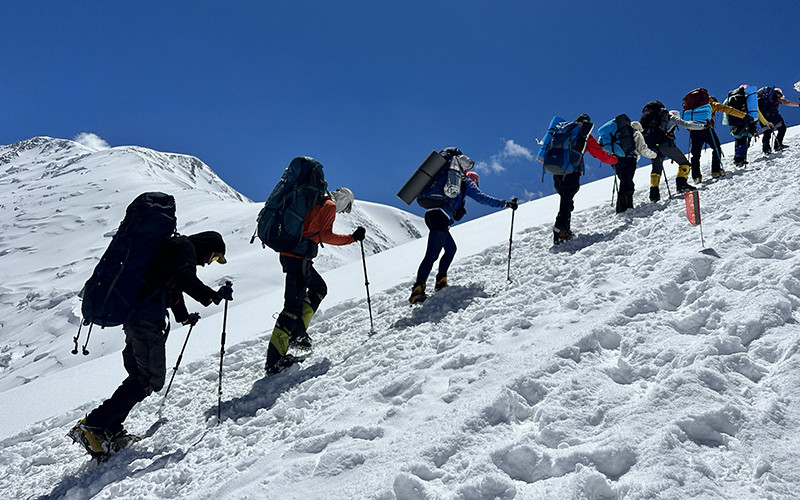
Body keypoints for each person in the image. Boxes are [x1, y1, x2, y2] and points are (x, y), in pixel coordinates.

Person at [71, 231, 232, 455]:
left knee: (139, 376)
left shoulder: (174, 247)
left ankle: (110, 428)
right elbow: (186, 280)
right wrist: (212, 296)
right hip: (145, 319)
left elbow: (172, 287)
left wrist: (183, 317)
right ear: (206, 246)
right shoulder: (184, 247)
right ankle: (95, 424)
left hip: (137, 317)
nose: (208, 263)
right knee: (150, 379)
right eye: (213, 256)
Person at [265, 187, 364, 374]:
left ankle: (297, 333)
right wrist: (352, 238)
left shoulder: (317, 201)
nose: (342, 212)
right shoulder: (328, 205)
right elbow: (325, 235)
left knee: (319, 288)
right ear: (343, 200)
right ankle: (274, 361)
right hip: (298, 258)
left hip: (295, 255)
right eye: (346, 208)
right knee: (291, 308)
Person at [409, 148, 517, 304]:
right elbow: (482, 198)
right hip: (440, 217)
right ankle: (418, 290)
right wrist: (504, 204)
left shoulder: (445, 179)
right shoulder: (465, 181)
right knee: (432, 255)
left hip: (432, 215)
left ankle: (441, 281)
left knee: (451, 249)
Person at [537, 114, 617, 243]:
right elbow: (599, 154)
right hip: (571, 171)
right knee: (567, 201)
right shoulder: (584, 135)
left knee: (565, 199)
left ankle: (564, 230)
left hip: (556, 169)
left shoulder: (562, 131)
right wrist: (615, 159)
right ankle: (560, 230)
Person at [640, 101, 706, 201]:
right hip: (665, 145)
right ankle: (681, 185)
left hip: (651, 146)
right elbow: (687, 124)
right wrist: (703, 126)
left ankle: (654, 195)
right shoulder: (670, 116)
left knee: (656, 169)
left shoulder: (649, 120)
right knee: (684, 164)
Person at [689, 96, 748, 183]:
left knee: (695, 154)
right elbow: (727, 109)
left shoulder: (694, 106)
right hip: (707, 129)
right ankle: (716, 171)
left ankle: (696, 177)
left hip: (694, 131)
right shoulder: (711, 104)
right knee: (716, 148)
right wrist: (744, 116)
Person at [614, 121, 657, 213]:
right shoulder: (636, 133)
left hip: (617, 160)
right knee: (627, 183)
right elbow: (643, 149)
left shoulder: (617, 133)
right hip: (630, 159)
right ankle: (625, 208)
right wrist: (654, 155)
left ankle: (621, 207)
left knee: (624, 181)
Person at [758, 87, 799, 154]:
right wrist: (798, 105)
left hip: (763, 117)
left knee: (767, 133)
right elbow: (786, 102)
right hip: (774, 116)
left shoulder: (763, 98)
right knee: (782, 128)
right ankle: (778, 145)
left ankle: (766, 149)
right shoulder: (776, 95)